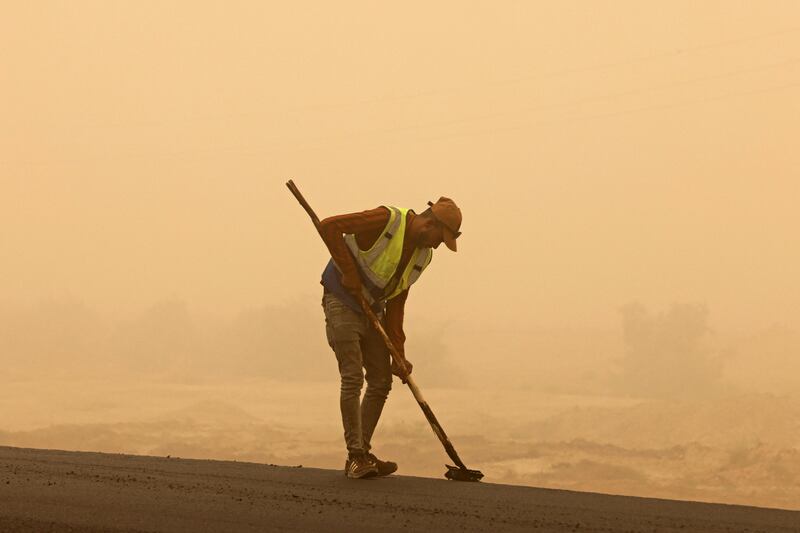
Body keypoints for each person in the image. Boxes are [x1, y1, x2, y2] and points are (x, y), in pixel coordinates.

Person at [319, 197, 462, 479]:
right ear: (429, 223)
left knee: (382, 381)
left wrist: (399, 352)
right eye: (439, 238)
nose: (437, 246)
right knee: (352, 377)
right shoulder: (386, 219)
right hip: (341, 300)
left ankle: (362, 451)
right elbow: (329, 227)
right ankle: (356, 456)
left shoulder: (423, 255)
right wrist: (349, 273)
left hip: (372, 308)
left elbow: (397, 301)